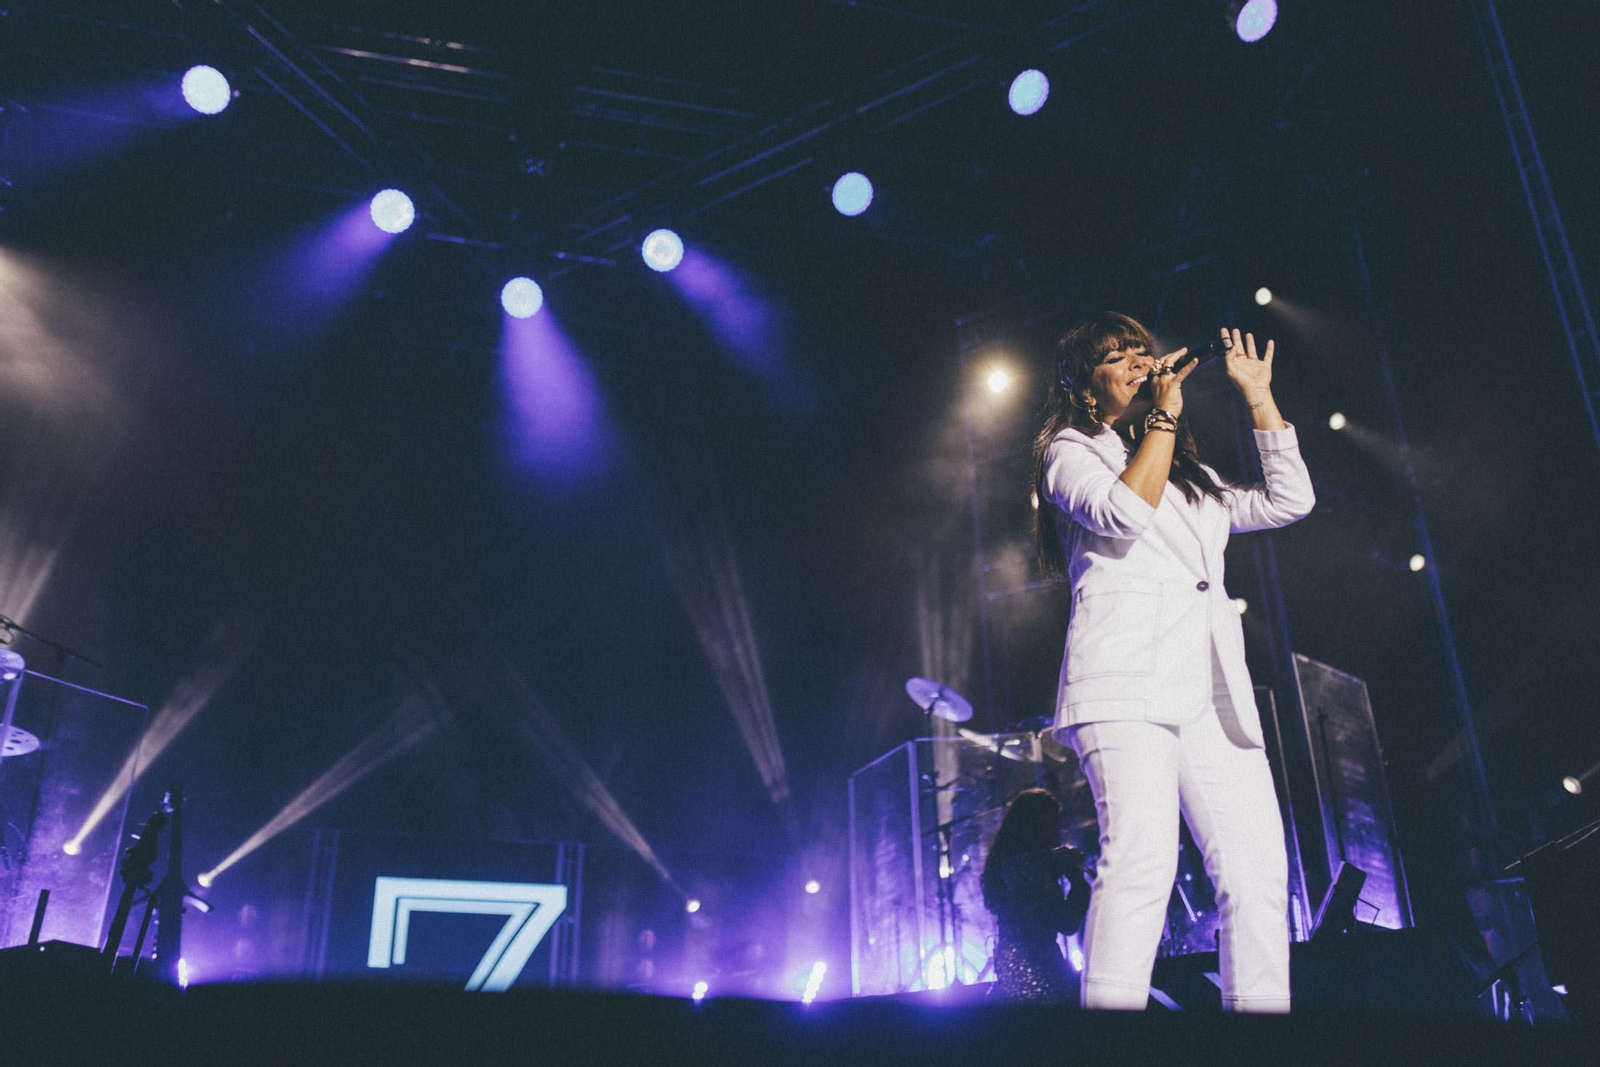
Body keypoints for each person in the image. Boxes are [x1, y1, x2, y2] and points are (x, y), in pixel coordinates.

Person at [1031, 312, 1314, 1012]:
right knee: (1141, 862)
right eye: (1116, 357)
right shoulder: (1070, 451)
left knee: (1257, 872)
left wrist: (1258, 397)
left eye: (1141, 351)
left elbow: (1290, 500)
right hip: (1125, 684)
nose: (1138, 362)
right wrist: (1162, 416)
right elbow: (1123, 512)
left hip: (1211, 691)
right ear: (1085, 387)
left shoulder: (1192, 477)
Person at [980, 788, 1091, 1003]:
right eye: (1053, 822)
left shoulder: (1011, 863)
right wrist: (1077, 879)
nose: (1058, 830)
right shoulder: (1031, 866)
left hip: (1018, 961)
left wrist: (1073, 875)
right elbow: (1067, 923)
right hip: (1035, 962)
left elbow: (1066, 922)